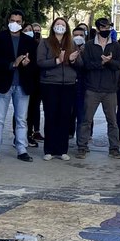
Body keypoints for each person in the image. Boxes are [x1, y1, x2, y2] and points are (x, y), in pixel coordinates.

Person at [0, 10, 38, 164]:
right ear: (8, 21)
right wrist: (12, 64)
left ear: (22, 23)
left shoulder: (29, 42)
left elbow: (34, 65)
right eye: (13, 20)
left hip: (22, 85)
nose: (15, 24)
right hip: (3, 84)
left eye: (18, 21)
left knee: (21, 119)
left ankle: (22, 149)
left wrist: (26, 65)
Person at [73, 17, 120, 159]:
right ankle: (82, 147)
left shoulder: (115, 45)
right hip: (92, 88)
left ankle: (114, 148)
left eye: (108, 28)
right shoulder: (89, 45)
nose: (106, 30)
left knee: (112, 121)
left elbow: (119, 65)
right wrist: (101, 63)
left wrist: (109, 62)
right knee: (86, 120)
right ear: (98, 29)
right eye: (103, 28)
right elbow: (86, 66)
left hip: (110, 90)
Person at [38, 17, 78, 160]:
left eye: (63, 24)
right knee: (51, 116)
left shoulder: (71, 43)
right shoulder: (45, 42)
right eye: (57, 24)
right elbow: (40, 62)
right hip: (50, 84)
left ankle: (62, 150)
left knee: (65, 117)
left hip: (68, 84)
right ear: (53, 26)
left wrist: (73, 60)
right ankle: (49, 149)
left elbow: (80, 64)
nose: (60, 26)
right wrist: (57, 60)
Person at [25, 21, 44, 147]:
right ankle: (25, 135)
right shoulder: (25, 43)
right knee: (23, 110)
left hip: (38, 80)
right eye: (33, 30)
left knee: (35, 107)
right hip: (26, 80)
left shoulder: (42, 44)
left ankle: (34, 131)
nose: (35, 33)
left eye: (38, 31)